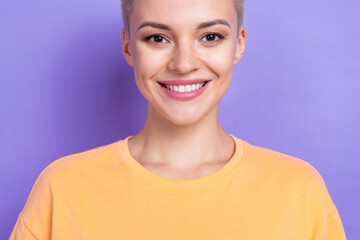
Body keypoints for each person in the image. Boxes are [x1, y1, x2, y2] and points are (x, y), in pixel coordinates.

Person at [10, 0, 346, 239]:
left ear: (238, 45)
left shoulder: (299, 190)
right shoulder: (63, 189)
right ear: (129, 47)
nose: (184, 63)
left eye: (210, 36)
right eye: (157, 38)